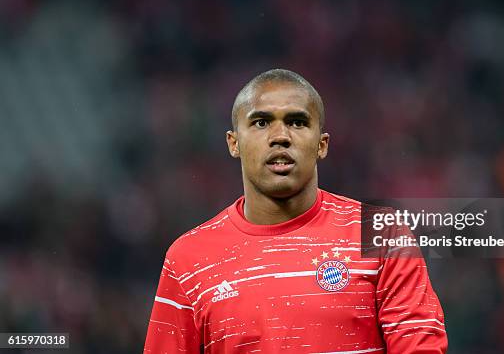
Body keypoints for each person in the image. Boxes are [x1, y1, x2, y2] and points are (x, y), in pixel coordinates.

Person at [143, 69, 447, 353]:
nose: (280, 136)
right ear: (233, 143)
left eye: (297, 122)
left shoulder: (382, 234)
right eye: (261, 122)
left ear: (322, 144)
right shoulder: (187, 259)